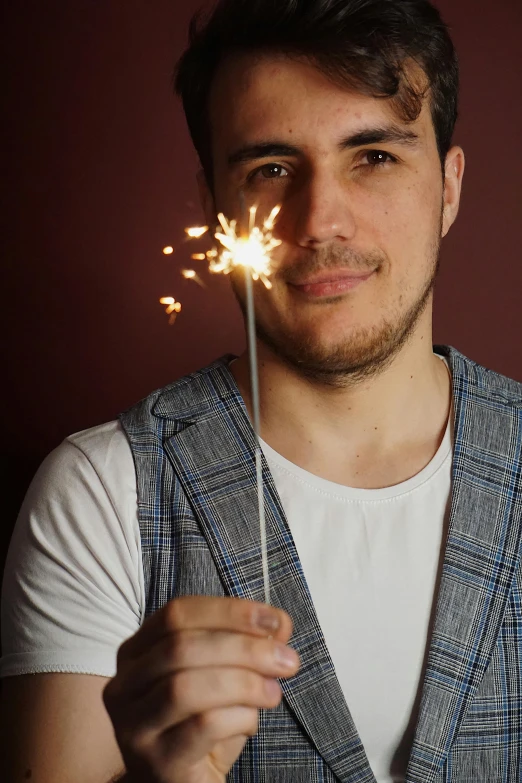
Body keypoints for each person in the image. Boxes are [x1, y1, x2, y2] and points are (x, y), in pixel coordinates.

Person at [2, 0, 521, 781]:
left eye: (374, 156)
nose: (318, 220)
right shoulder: (101, 492)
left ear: (448, 188)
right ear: (216, 207)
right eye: (271, 169)